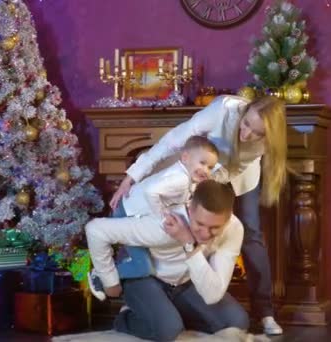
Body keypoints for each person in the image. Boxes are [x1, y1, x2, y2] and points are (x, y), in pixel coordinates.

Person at [109, 95, 287, 335]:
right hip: (201, 162)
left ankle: (264, 310)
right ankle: (147, 301)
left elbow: (234, 170)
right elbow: (172, 141)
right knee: (171, 216)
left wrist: (207, 183)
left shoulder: (262, 144)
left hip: (226, 173)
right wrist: (132, 176)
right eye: (246, 125)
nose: (247, 135)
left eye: (257, 133)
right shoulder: (223, 111)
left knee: (250, 233)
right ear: (243, 113)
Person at [86, 180, 248, 341]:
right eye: (200, 224)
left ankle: (166, 314)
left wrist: (189, 245)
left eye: (214, 228)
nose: (205, 234)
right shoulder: (162, 224)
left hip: (185, 282)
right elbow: (95, 230)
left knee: (235, 322)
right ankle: (126, 318)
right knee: (169, 331)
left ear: (228, 219)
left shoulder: (234, 229)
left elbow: (212, 295)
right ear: (190, 209)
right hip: (146, 279)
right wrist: (110, 281)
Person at [88, 135, 220, 301]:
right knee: (143, 267)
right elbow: (151, 191)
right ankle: (99, 276)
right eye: (202, 163)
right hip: (127, 211)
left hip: (130, 208)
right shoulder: (179, 179)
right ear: (185, 157)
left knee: (143, 264)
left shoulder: (186, 176)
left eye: (210, 167)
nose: (206, 170)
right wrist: (162, 216)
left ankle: (114, 273)